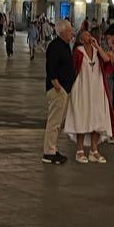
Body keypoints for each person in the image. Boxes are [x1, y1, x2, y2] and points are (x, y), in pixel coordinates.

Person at [64, 29, 112, 163]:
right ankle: (79, 150)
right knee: (82, 116)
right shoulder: (78, 52)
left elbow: (107, 60)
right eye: (85, 34)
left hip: (97, 89)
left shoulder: (97, 51)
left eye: (89, 33)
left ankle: (94, 150)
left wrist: (97, 46)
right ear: (80, 39)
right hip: (82, 88)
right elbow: (72, 70)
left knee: (96, 117)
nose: (88, 35)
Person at [42, 19, 75, 164]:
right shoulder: (55, 46)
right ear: (62, 31)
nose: (72, 33)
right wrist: (57, 86)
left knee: (59, 122)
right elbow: (50, 68)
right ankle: (48, 152)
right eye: (69, 30)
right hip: (57, 89)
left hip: (64, 89)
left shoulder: (66, 46)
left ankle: (53, 148)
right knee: (54, 121)